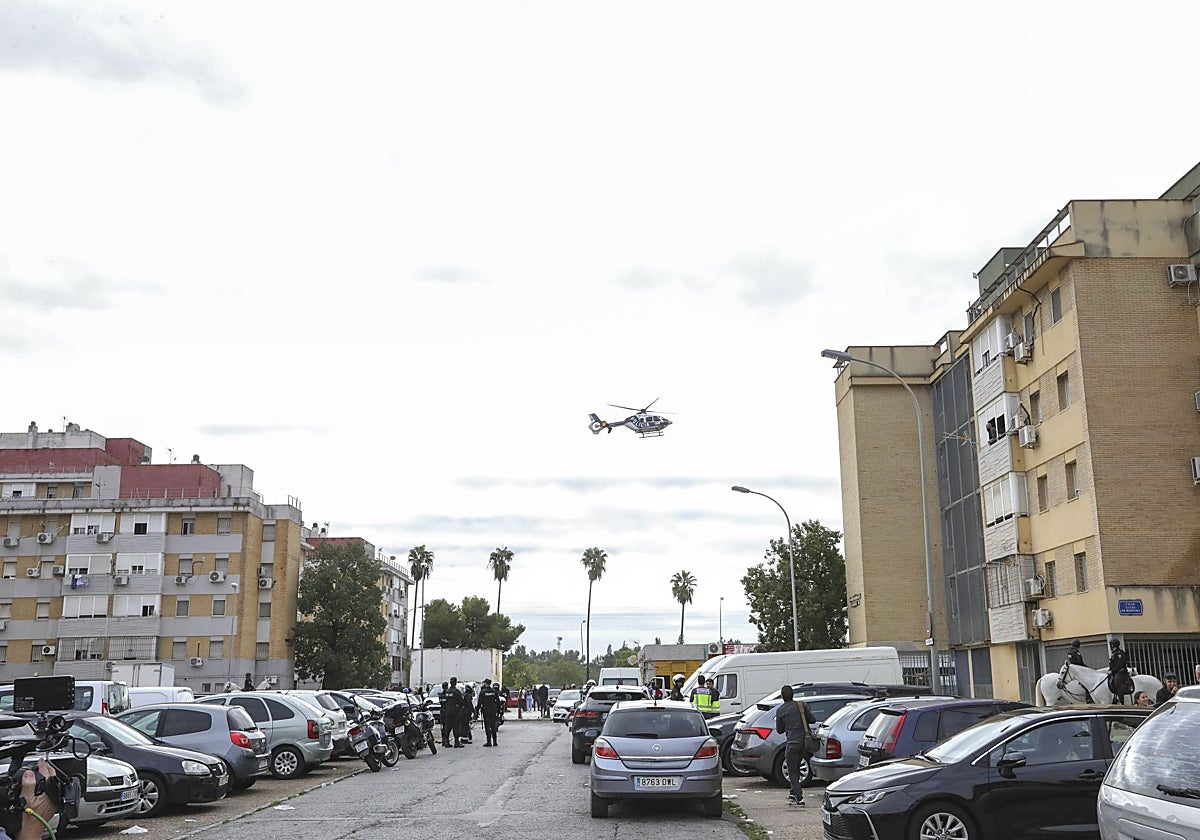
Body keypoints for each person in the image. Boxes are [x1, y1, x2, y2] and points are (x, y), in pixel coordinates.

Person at [775, 685, 815, 807]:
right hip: (804, 742)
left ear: (782, 696)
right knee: (797, 767)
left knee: (792, 770)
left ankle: (799, 797)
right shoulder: (801, 705)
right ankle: (793, 793)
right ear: (793, 694)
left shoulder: (781, 710)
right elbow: (812, 720)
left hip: (791, 742)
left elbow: (779, 730)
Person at [475, 678, 504, 746]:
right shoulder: (494, 691)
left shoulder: (483, 692)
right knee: (493, 726)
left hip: (486, 711)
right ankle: (495, 741)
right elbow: (498, 702)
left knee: (487, 726)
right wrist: (499, 710)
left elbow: (479, 702)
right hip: (493, 711)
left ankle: (489, 741)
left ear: (486, 683)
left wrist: (477, 711)